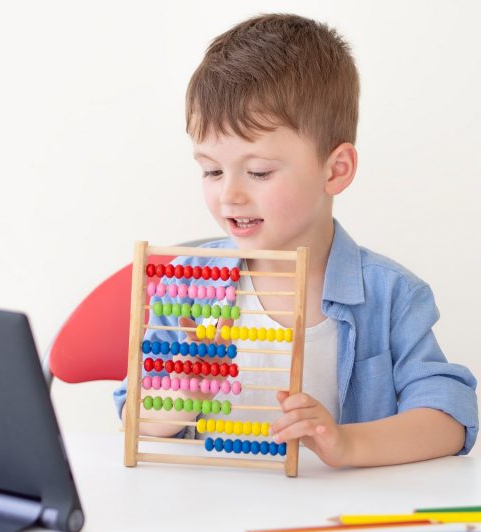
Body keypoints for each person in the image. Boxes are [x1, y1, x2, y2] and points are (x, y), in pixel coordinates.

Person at [113, 13, 478, 467]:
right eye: (211, 170)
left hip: (334, 518)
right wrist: (182, 392)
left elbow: (451, 416)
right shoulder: (186, 286)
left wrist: (346, 444)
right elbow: (134, 413)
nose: (230, 194)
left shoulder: (391, 296)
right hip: (207, 512)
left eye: (259, 171)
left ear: (335, 169)